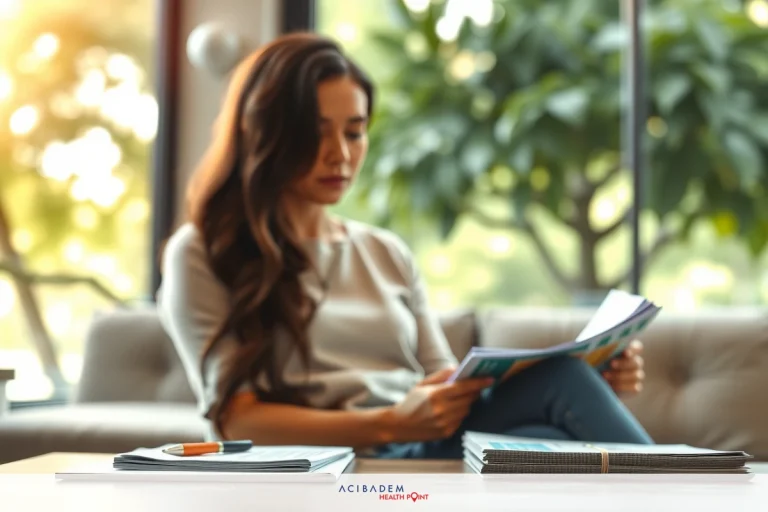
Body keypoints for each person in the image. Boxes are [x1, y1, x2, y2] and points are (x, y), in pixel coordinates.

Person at [157, 32, 653, 459]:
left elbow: (442, 378)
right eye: (316, 133)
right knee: (560, 386)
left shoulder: (384, 251)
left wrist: (596, 380)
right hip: (331, 461)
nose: (341, 154)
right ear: (263, 132)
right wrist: (390, 423)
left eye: (356, 132)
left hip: (415, 441)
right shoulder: (203, 252)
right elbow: (235, 422)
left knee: (553, 422)